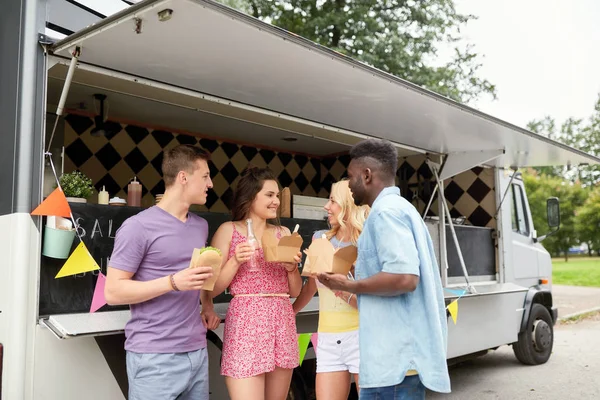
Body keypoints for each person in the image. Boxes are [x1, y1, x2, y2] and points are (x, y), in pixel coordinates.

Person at [318, 139, 451, 399]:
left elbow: (405, 277)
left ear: (367, 175)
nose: (349, 184)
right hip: (396, 362)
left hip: (393, 364)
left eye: (350, 176)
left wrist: (347, 284)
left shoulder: (385, 214)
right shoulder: (401, 209)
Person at [105, 144, 221, 400]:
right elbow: (113, 291)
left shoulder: (200, 226)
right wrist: (172, 282)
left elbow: (200, 277)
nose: (210, 184)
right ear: (183, 177)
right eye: (205, 176)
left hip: (197, 351)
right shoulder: (137, 227)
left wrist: (208, 304)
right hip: (154, 358)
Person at [209, 167, 303, 400]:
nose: (276, 201)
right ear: (250, 197)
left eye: (277, 195)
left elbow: (295, 291)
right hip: (246, 322)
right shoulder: (228, 230)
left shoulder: (284, 232)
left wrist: (292, 269)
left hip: (281, 320)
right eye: (269, 195)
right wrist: (235, 260)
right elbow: (212, 289)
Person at [293, 180, 369, 400]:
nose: (326, 206)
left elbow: (369, 303)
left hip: (361, 336)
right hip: (327, 339)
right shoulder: (320, 238)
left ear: (348, 205)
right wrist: (291, 312)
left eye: (333, 201)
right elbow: (310, 287)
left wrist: (341, 286)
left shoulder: (365, 243)